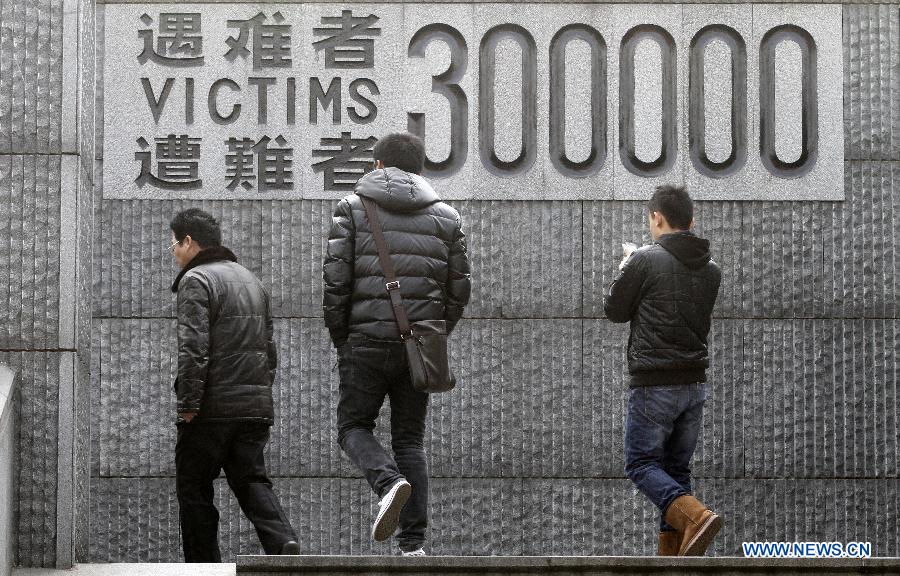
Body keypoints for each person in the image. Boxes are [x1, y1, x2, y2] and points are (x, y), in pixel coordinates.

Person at [323, 132, 471, 556]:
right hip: (418, 346)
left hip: (364, 342)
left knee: (353, 426)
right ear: (421, 168)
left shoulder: (352, 209)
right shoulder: (446, 217)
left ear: (379, 165)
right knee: (409, 441)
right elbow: (458, 291)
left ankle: (388, 483)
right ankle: (413, 545)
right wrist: (433, 335)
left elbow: (335, 282)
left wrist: (342, 337)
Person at [169, 208, 299, 561]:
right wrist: (258, 395)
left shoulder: (196, 280)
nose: (173, 249)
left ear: (189, 241)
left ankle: (202, 564)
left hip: (210, 408)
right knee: (251, 479)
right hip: (253, 409)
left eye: (175, 241)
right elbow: (269, 351)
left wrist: (189, 405)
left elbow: (193, 348)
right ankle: (283, 541)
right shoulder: (250, 279)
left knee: (194, 486)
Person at [604, 185, 722, 556]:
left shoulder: (645, 260)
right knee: (677, 472)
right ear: (691, 219)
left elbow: (615, 310)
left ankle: (696, 517)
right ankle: (673, 557)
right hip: (693, 385)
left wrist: (628, 265)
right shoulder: (711, 270)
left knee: (641, 464)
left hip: (654, 384)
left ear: (657, 217)